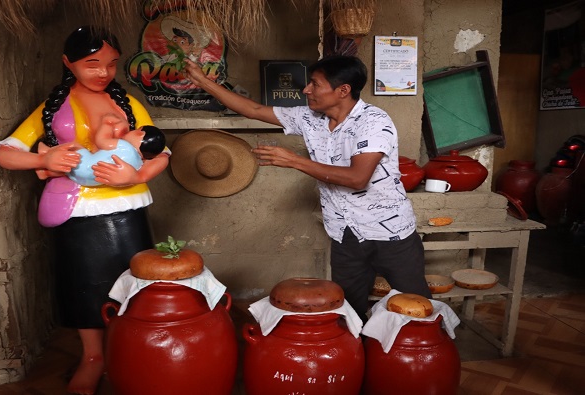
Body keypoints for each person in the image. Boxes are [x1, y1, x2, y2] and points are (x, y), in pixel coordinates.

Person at [184, 55, 431, 322]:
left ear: (343, 90)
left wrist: (294, 161)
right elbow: (254, 110)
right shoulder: (310, 118)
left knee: (417, 311)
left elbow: (358, 178)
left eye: (315, 84)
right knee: (348, 313)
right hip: (345, 234)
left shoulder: (373, 122)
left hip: (390, 233)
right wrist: (203, 82)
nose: (306, 90)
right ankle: (355, 360)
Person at [0, 26, 169, 395]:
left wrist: (134, 175)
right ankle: (94, 356)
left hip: (127, 206)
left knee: (135, 280)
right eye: (92, 64)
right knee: (84, 284)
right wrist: (44, 159)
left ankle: (130, 349)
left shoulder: (128, 105)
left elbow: (162, 152)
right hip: (76, 208)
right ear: (68, 63)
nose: (103, 73)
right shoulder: (52, 110)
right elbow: (7, 153)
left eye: (110, 64)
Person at [65, 112, 167, 186]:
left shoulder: (124, 146)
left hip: (81, 167)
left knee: (73, 146)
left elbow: (101, 140)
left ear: (139, 134)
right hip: (91, 182)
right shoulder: (138, 163)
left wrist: (107, 124)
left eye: (135, 130)